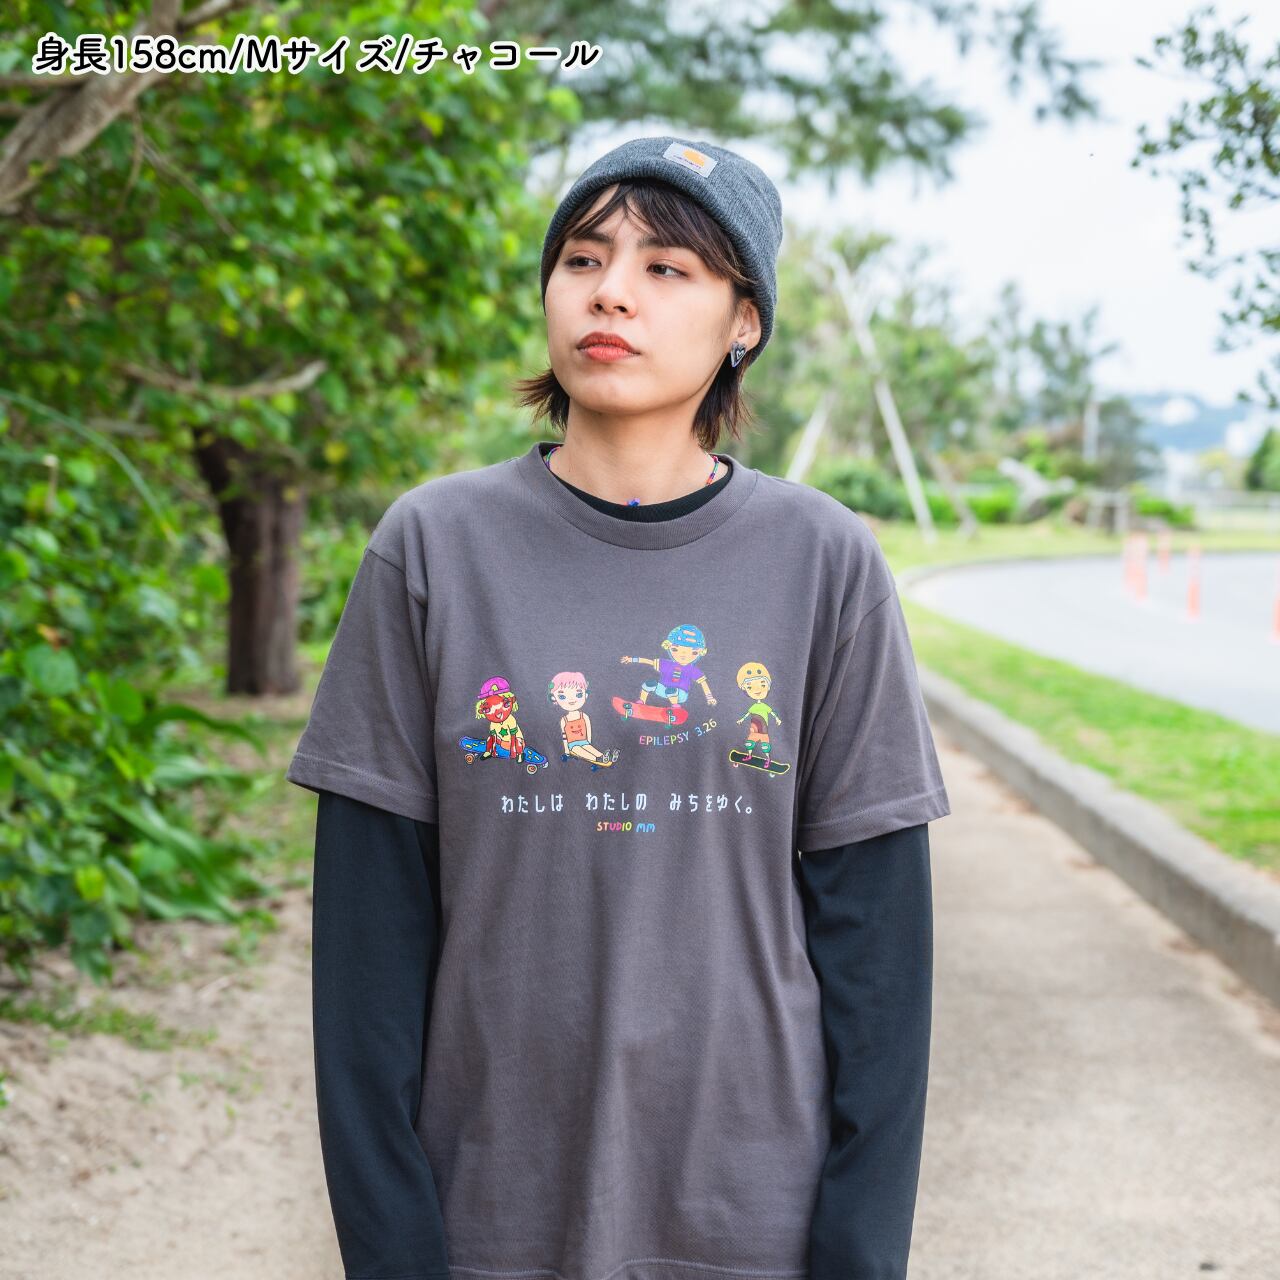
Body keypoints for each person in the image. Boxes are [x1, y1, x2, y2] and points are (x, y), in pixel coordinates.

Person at [287, 134, 951, 1280]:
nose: (610, 292)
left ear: (743, 321)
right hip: (489, 1206)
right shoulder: (433, 546)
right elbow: (366, 946)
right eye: (583, 259)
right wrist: (392, 1246)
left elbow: (878, 950)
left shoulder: (822, 560)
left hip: (748, 1213)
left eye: (666, 268)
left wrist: (859, 1249)